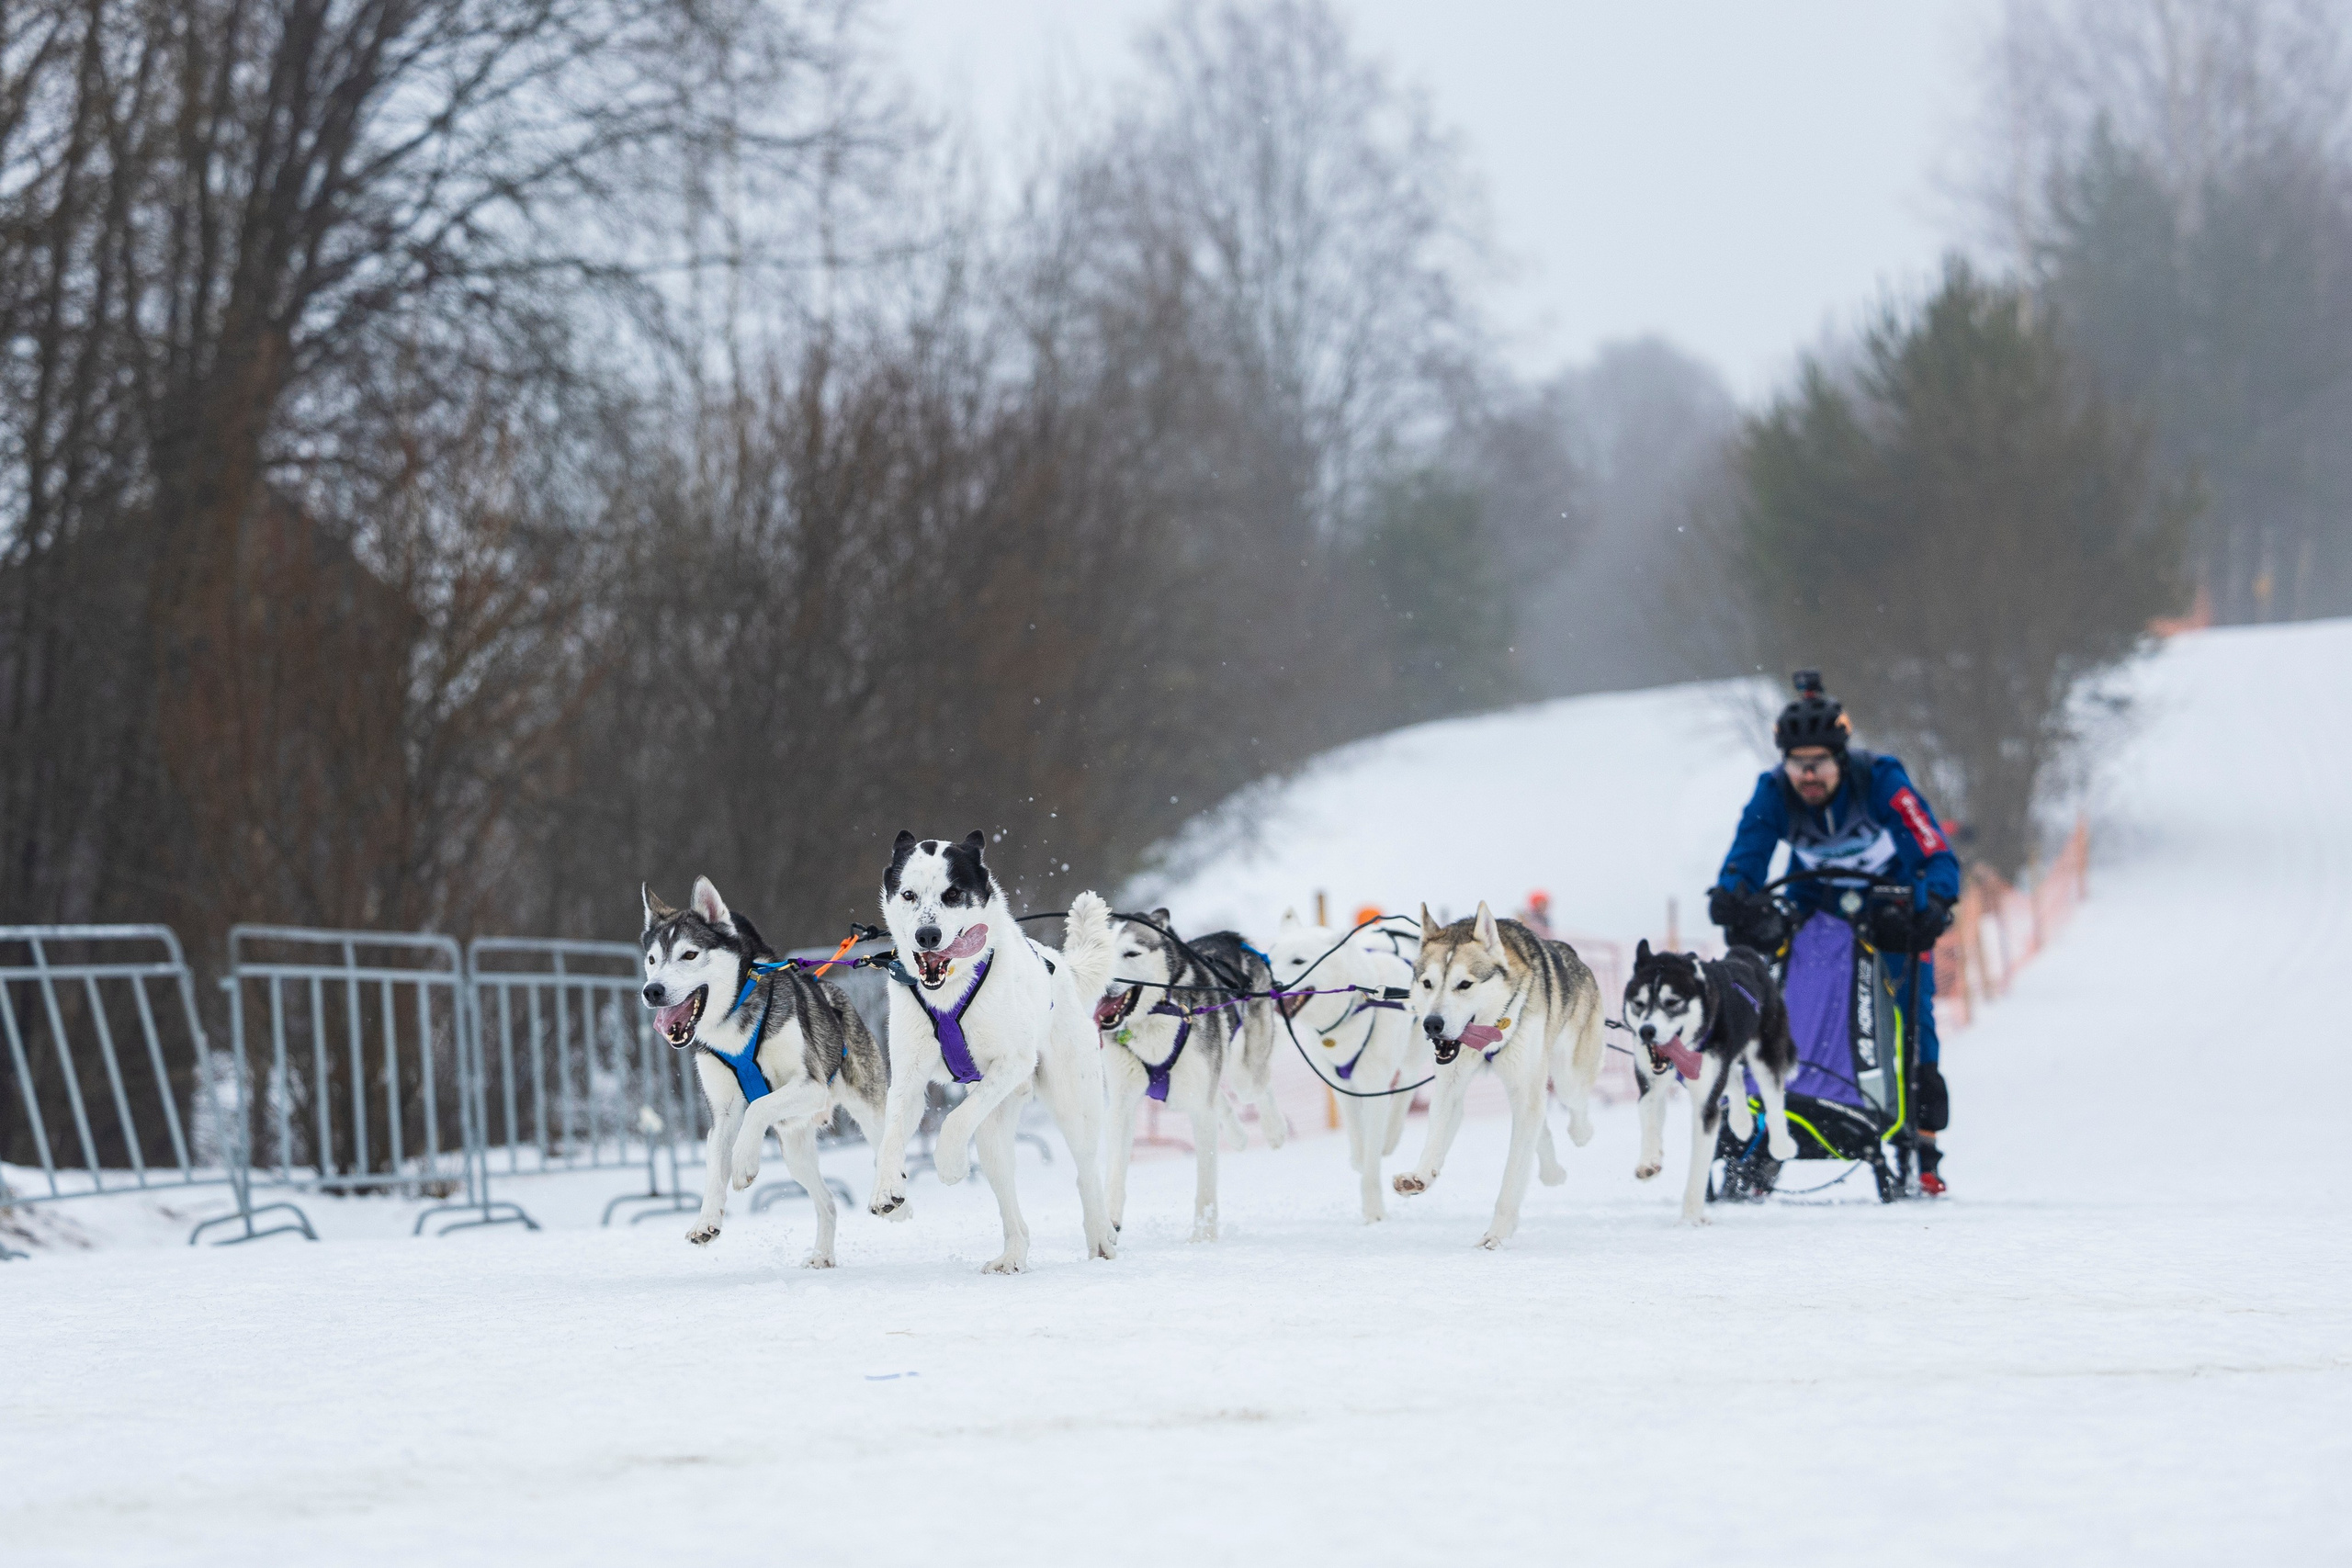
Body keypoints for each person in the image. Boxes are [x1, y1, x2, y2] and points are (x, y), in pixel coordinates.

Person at [1707, 671, 1961, 1195]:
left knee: (1914, 1005)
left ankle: (1922, 1142)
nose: (1808, 776)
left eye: (1818, 763)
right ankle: (1769, 1121)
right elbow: (1748, 852)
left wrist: (1936, 897)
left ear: (1840, 759)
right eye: (1798, 764)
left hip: (1886, 893)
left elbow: (1931, 848)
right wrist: (1732, 892)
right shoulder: (1773, 790)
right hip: (1814, 894)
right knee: (1777, 990)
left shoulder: (1881, 778)